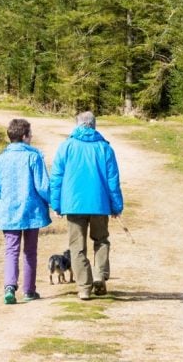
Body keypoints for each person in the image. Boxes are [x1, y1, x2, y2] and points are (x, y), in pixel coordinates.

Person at [50, 111, 124, 300]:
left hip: (73, 204)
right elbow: (113, 180)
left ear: (77, 125)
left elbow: (56, 177)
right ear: (94, 125)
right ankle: (99, 276)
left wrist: (56, 204)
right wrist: (116, 206)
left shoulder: (66, 146)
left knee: (77, 247)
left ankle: (84, 287)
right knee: (101, 240)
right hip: (100, 204)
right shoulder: (105, 148)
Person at [0, 118, 51, 305]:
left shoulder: (1, 158)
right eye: (30, 134)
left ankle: (9, 287)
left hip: (7, 211)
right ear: (24, 136)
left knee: (11, 250)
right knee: (30, 251)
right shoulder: (33, 157)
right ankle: (29, 290)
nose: (32, 137)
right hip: (30, 211)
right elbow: (42, 186)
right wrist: (54, 202)